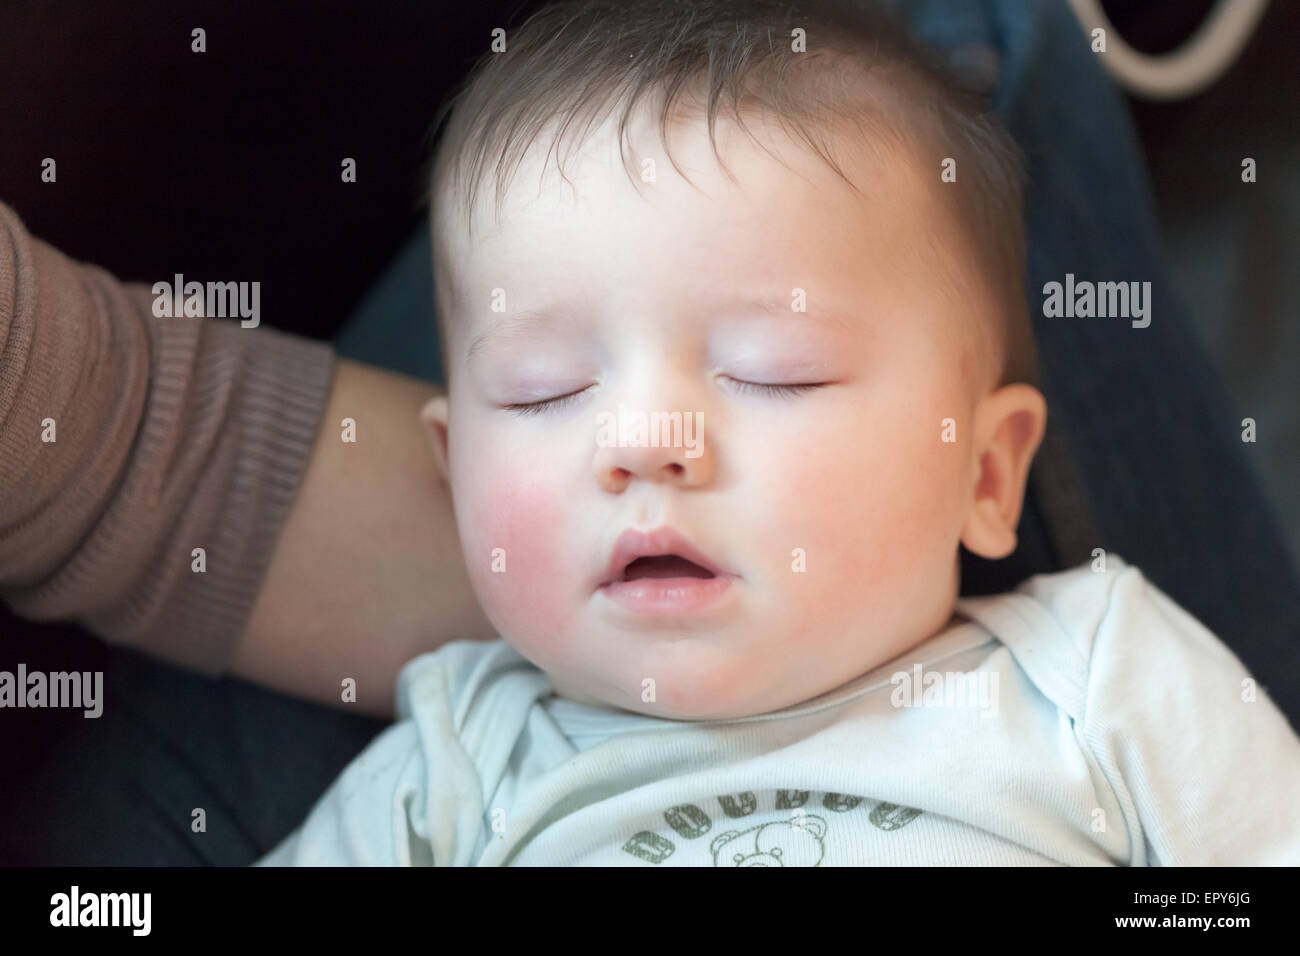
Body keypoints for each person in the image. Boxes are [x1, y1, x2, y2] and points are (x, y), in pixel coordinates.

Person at [258, 0, 1300, 866]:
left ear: (986, 472)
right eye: (544, 391)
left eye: (774, 371)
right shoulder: (451, 771)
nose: (646, 440)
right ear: (453, 476)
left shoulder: (1093, 683)